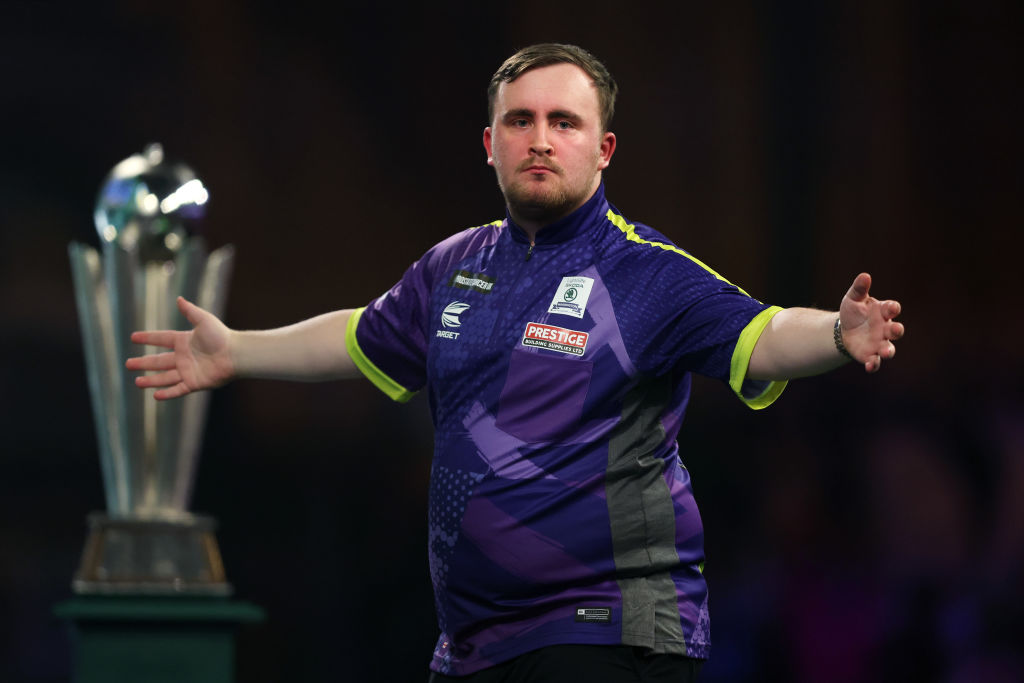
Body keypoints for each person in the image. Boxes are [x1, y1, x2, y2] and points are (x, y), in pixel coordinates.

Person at [127, 44, 904, 682]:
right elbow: (361, 337)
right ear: (490, 142)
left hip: (608, 630)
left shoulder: (646, 273)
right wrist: (238, 350)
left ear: (602, 151)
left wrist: (837, 332)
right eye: (520, 120)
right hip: (472, 646)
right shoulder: (454, 266)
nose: (539, 138)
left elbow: (763, 334)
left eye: (564, 122)